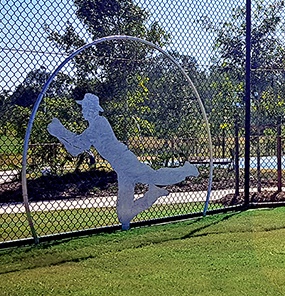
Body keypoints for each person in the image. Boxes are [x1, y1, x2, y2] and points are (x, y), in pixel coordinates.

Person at [48, 93, 198, 229]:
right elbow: (75, 149)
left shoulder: (99, 123)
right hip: (122, 170)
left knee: (155, 177)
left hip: (126, 162)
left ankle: (186, 170)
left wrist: (60, 131)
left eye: (84, 108)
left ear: (90, 109)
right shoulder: (92, 127)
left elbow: (77, 143)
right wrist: (59, 134)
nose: (82, 111)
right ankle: (153, 194)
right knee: (124, 217)